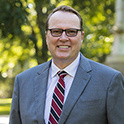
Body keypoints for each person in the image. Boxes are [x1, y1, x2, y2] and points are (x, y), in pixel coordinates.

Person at [9, 5, 124, 124]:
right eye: (56, 31)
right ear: (47, 36)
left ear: (81, 37)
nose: (63, 38)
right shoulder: (23, 81)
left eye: (71, 32)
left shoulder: (109, 80)